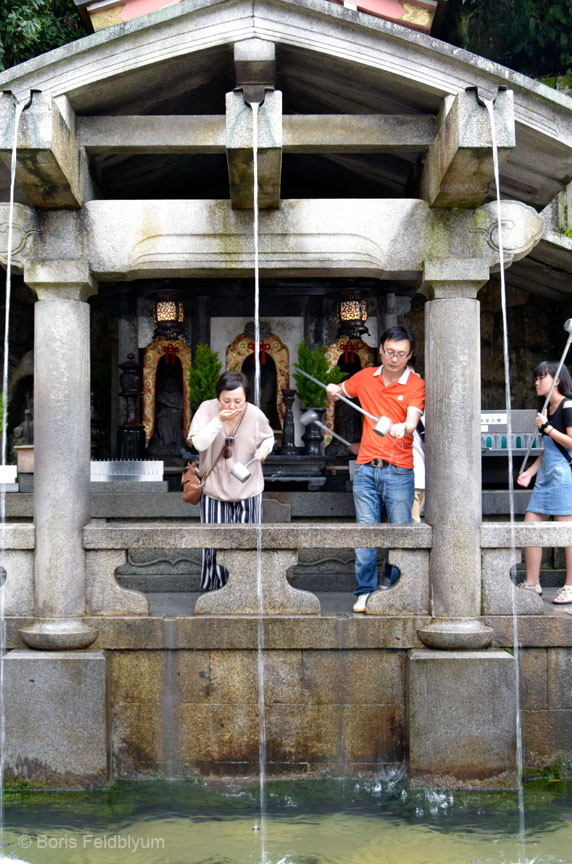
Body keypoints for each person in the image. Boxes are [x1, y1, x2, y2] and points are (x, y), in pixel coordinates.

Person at [326, 325, 425, 613]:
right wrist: (334, 390)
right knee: (365, 532)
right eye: (390, 352)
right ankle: (365, 591)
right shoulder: (365, 377)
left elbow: (412, 420)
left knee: (400, 533)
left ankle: (396, 588)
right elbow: (342, 391)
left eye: (401, 354)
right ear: (380, 350)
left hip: (399, 469)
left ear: (410, 355)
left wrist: (401, 428)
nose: (395, 358)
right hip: (367, 467)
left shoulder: (416, 384)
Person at [187, 370, 275, 591]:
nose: (233, 406)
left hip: (248, 487)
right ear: (218, 397)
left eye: (238, 401)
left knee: (247, 542)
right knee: (214, 543)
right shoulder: (207, 410)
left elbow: (269, 436)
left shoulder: (254, 414)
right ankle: (214, 590)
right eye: (226, 400)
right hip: (214, 488)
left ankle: (245, 590)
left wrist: (264, 449)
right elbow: (199, 443)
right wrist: (219, 420)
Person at [516, 360, 572, 604]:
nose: (536, 383)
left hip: (563, 477)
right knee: (531, 527)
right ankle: (532, 582)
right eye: (535, 378)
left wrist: (548, 428)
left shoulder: (568, 405)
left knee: (566, 532)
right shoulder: (546, 408)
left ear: (556, 380)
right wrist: (530, 471)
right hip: (546, 476)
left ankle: (570, 586)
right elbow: (550, 448)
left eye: (542, 378)